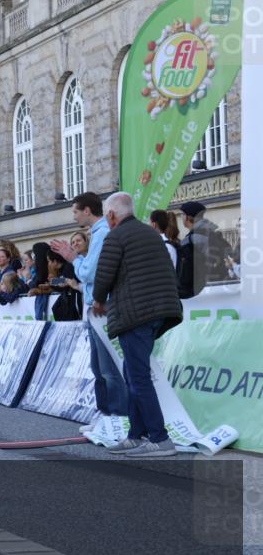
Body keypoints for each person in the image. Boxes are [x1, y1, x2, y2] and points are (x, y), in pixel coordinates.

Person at [92, 192, 183, 457]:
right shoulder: (151, 234)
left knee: (139, 377)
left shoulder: (116, 236)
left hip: (135, 315)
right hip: (157, 313)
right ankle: (136, 434)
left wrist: (98, 300)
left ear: (110, 215)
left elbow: (104, 274)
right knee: (132, 373)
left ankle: (160, 438)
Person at [50, 191, 126, 419]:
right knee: (98, 368)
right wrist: (76, 259)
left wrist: (74, 258)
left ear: (87, 210)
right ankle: (105, 415)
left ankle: (117, 417)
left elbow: (89, 273)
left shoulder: (102, 233)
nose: (73, 216)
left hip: (103, 309)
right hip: (95, 309)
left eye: (75, 211)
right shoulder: (97, 233)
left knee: (108, 369)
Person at [176, 201, 232, 298]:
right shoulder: (215, 235)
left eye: (183, 214)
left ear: (188, 217)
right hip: (220, 287)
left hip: (200, 293)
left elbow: (185, 272)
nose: (181, 217)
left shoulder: (190, 240)